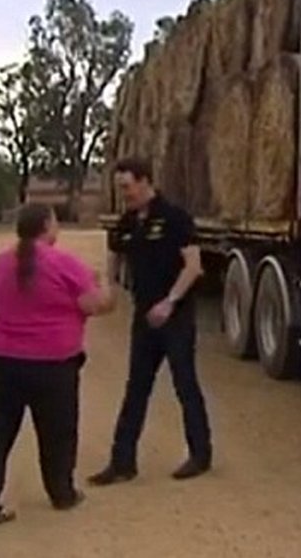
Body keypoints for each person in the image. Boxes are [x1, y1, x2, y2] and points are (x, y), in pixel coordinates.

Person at [0, 203, 116, 526]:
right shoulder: (67, 264)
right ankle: (62, 493)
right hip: (54, 363)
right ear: (47, 225)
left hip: (0, 360)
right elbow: (96, 305)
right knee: (58, 431)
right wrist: (103, 285)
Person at [88, 157, 212, 485]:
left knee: (185, 383)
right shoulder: (128, 222)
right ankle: (122, 462)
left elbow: (193, 266)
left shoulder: (174, 218)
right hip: (144, 317)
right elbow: (113, 252)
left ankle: (200, 454)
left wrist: (170, 302)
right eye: (120, 188)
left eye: (127, 187)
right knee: (136, 388)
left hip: (175, 315)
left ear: (145, 181)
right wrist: (107, 289)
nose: (124, 194)